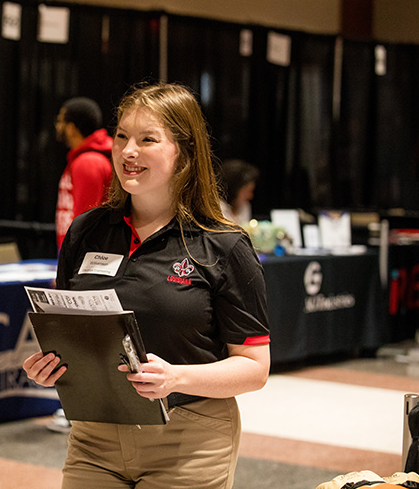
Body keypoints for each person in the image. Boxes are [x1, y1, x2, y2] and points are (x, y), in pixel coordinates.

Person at [23, 83, 270, 489]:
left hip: (189, 438)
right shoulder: (86, 231)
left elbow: (255, 369)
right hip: (94, 437)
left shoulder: (223, 244)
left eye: (147, 139)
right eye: (121, 136)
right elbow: (72, 330)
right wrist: (52, 365)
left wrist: (176, 378)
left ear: (184, 153)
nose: (127, 151)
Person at [54, 96, 113, 249]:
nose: (57, 126)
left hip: (81, 253)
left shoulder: (88, 162)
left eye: (61, 121)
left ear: (71, 128)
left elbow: (86, 218)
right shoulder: (82, 159)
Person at [219, 158, 259, 225]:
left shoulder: (245, 206)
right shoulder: (216, 209)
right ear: (234, 189)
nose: (250, 196)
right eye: (247, 191)